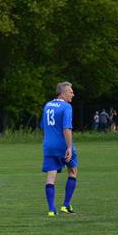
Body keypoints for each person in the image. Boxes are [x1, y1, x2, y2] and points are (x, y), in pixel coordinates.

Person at [41, 82, 78, 216]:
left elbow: (43, 126)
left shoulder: (47, 105)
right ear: (63, 93)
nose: (73, 94)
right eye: (71, 92)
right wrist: (69, 146)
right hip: (63, 145)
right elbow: (66, 128)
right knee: (73, 171)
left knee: (51, 178)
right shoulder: (66, 107)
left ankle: (51, 209)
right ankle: (65, 205)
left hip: (48, 145)